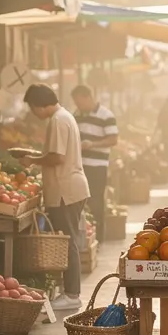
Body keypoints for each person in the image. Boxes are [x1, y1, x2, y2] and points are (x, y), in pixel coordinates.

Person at [19, 84, 90, 311]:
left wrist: (32, 160)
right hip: (70, 187)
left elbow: (56, 157)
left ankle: (72, 294)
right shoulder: (65, 116)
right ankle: (70, 291)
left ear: (40, 104)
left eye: (32, 107)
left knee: (66, 241)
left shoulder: (58, 120)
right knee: (68, 240)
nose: (33, 113)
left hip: (65, 190)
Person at [72, 85, 119, 242]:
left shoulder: (106, 115)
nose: (78, 106)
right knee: (80, 200)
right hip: (80, 165)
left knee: (96, 200)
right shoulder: (77, 115)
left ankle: (99, 236)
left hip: (98, 165)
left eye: (80, 102)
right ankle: (85, 234)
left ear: (88, 97)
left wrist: (92, 144)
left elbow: (113, 139)